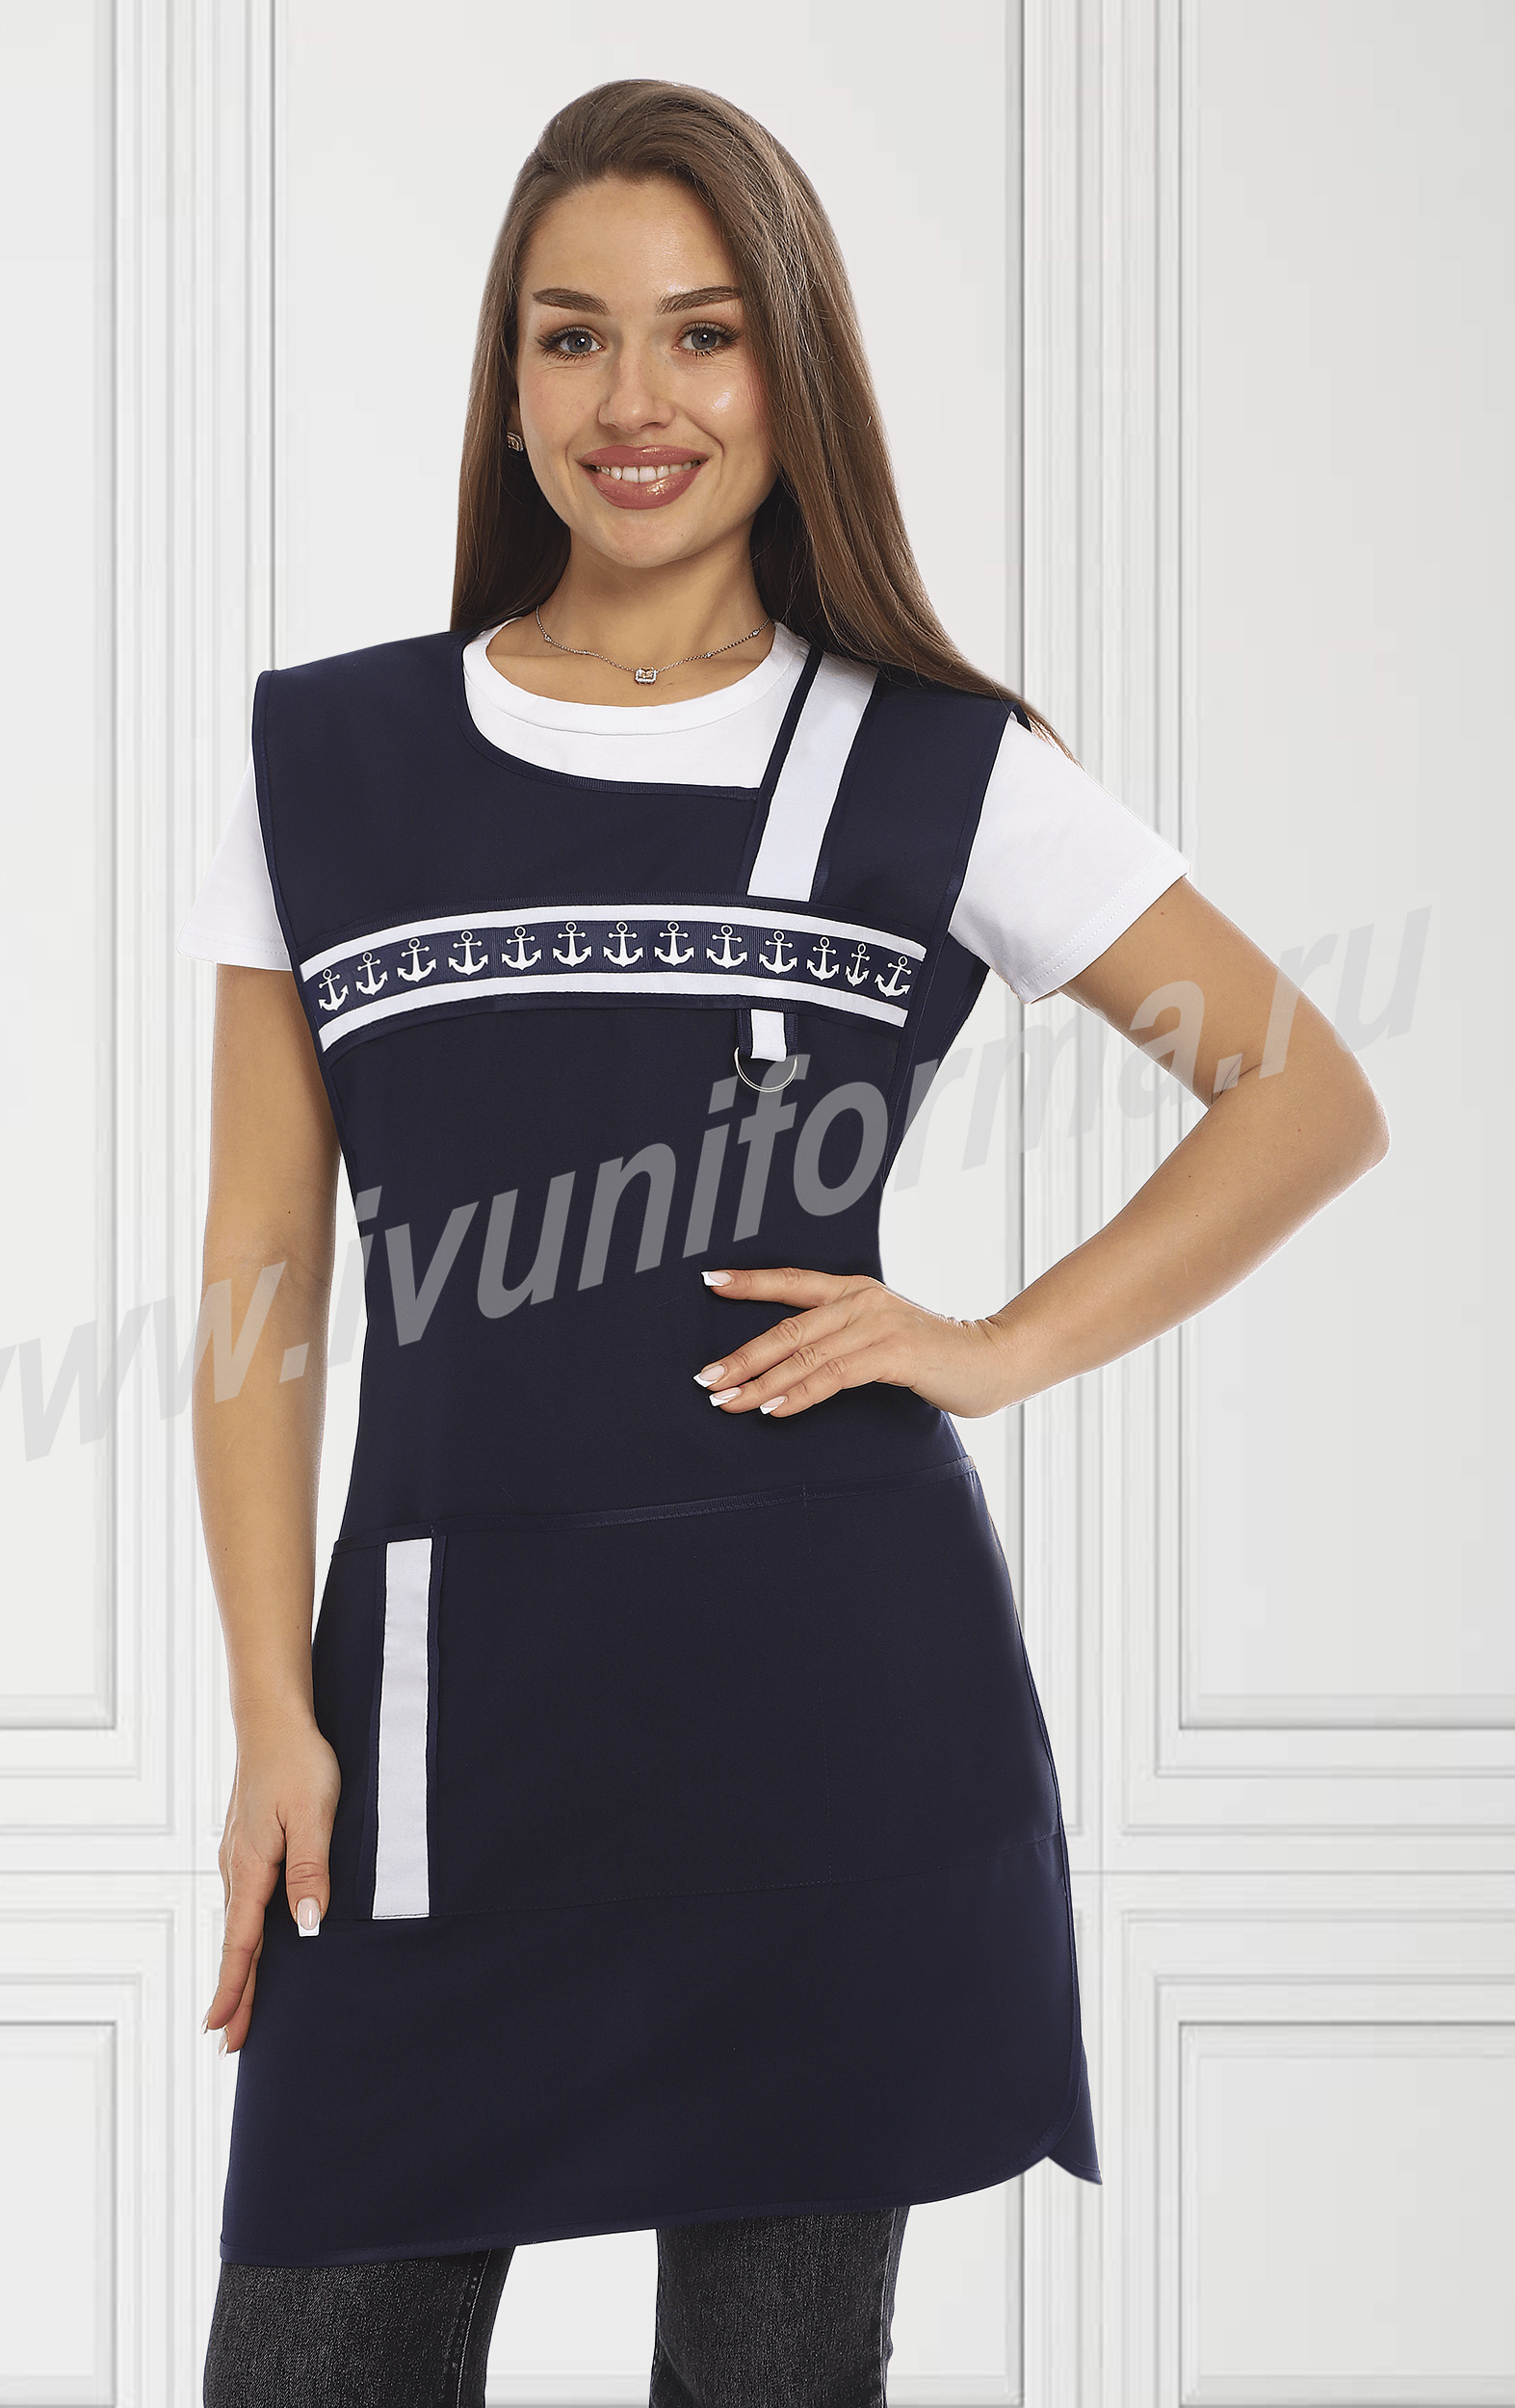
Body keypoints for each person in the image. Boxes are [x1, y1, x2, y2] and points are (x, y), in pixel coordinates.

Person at [180, 78, 1388, 2408]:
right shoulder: (323, 763)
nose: (632, 401)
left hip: (828, 1739)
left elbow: (1300, 1089)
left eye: (701, 333)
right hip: (431, 1740)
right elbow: (262, 1270)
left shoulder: (937, 765)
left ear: (789, 366)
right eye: (570, 337)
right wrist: (264, 1710)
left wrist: (994, 1341)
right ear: (506, 381)